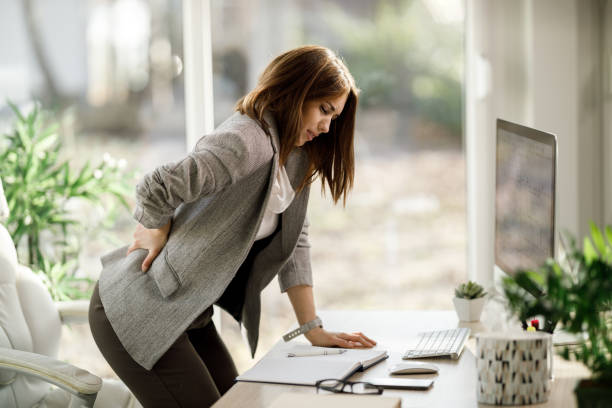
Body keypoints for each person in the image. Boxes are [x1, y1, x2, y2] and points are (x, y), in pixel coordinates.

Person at [88, 45, 376, 407]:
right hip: (138, 310)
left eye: (334, 116)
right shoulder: (247, 141)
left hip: (188, 314)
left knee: (242, 402)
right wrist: (155, 225)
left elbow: (294, 241)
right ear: (296, 92)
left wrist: (312, 329)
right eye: (324, 110)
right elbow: (156, 185)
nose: (326, 126)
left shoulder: (297, 156)